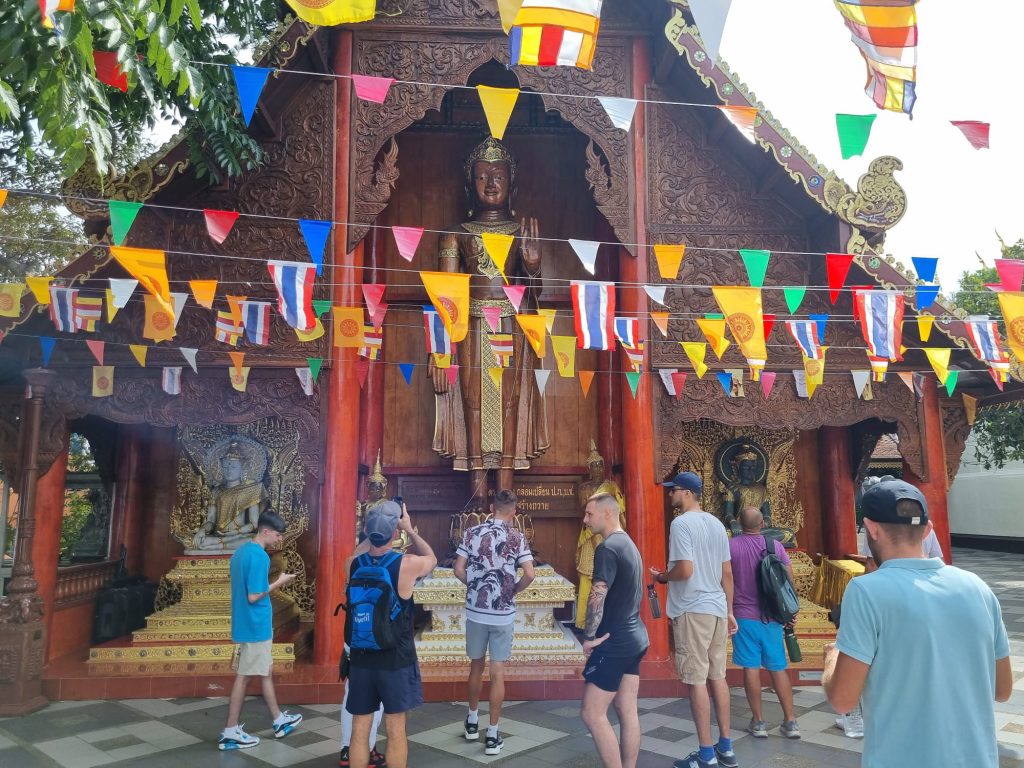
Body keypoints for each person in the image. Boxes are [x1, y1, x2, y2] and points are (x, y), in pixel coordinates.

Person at [822, 478, 1013, 767]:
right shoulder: (978, 588)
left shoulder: (866, 592)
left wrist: (832, 657)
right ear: (927, 530)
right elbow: (1002, 690)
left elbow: (843, 700)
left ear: (871, 528)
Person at [429, 136, 549, 505]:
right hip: (471, 327)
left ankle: (507, 503)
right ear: (470, 184)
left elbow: (533, 293)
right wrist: (442, 352)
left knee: (511, 404)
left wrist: (531, 267)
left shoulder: (520, 233)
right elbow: (446, 297)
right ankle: (477, 504)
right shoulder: (454, 235)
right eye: (483, 177)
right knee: (473, 405)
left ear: (513, 182)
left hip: (512, 326)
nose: (492, 183)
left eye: (498, 176)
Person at [651, 472, 738, 768]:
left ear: (687, 493)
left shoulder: (681, 524)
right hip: (715, 607)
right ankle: (726, 748)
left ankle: (705, 754)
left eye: (672, 490)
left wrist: (663, 577)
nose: (669, 495)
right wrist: (729, 610)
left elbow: (685, 570)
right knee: (718, 676)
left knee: (696, 679)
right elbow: (727, 573)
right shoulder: (716, 524)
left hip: (692, 607)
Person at [344, 501, 437, 768]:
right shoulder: (406, 564)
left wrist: (368, 532)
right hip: (396, 658)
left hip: (361, 656)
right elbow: (432, 558)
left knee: (360, 728)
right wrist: (409, 527)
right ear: (395, 533)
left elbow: (359, 553)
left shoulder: (351, 564)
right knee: (396, 729)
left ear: (366, 531)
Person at [453, 489, 535, 755]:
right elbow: (530, 574)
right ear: (513, 511)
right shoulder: (517, 536)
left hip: (477, 610)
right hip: (502, 613)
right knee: (497, 670)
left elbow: (458, 569)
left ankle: (472, 721)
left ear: (492, 507)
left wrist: (474, 587)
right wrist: (511, 591)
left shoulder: (471, 533)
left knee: (476, 665)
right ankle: (493, 734)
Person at [218, 510, 303, 750]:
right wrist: (279, 582)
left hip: (246, 623)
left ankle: (278, 720)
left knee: (265, 670)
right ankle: (231, 731)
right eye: (277, 535)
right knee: (245, 677)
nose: (279, 539)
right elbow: (254, 595)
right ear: (265, 531)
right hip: (256, 625)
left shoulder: (240, 552)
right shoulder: (259, 557)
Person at [579, 492, 649, 768]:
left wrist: (588, 637)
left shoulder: (607, 548)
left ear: (608, 513)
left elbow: (599, 594)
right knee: (626, 709)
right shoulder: (628, 543)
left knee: (592, 713)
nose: (585, 520)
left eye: (589, 514)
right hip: (635, 637)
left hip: (614, 640)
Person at [728, 507, 800, 740]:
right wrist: (791, 610)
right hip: (772, 616)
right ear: (763, 524)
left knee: (751, 667)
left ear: (738, 522)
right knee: (777, 667)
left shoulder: (731, 546)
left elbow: (725, 577)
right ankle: (790, 721)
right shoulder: (775, 546)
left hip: (743, 615)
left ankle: (758, 721)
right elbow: (789, 579)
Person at [575, 441, 626, 630]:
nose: (597, 469)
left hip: (608, 533)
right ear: (589, 468)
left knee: (609, 577)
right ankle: (582, 622)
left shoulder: (611, 487)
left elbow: (619, 510)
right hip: (590, 533)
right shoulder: (584, 488)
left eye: (600, 465)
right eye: (594, 466)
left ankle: (608, 619)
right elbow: (586, 508)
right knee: (587, 577)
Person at [191, 439, 268, 553]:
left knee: (252, 540)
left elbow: (254, 523)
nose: (229, 470)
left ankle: (216, 546)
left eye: (233, 467)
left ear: (242, 469)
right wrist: (202, 530)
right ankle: (217, 545)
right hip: (218, 535)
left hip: (239, 535)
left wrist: (237, 532)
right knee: (195, 540)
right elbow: (211, 520)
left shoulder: (251, 490)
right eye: (226, 467)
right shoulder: (216, 491)